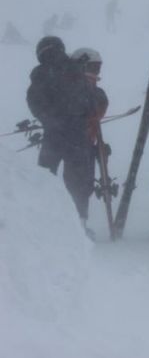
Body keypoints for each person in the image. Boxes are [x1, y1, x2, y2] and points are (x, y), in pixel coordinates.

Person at [26, 37, 96, 236]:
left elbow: (34, 101)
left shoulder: (40, 73)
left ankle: (42, 223)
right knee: (77, 181)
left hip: (53, 135)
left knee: (45, 178)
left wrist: (48, 120)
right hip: (78, 134)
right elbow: (90, 101)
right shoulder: (76, 69)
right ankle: (79, 226)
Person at [69, 48, 110, 238]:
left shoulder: (88, 87)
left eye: (98, 68)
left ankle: (78, 222)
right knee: (79, 183)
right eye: (93, 67)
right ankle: (77, 224)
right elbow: (92, 112)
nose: (96, 72)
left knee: (81, 183)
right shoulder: (79, 87)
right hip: (79, 142)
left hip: (85, 140)